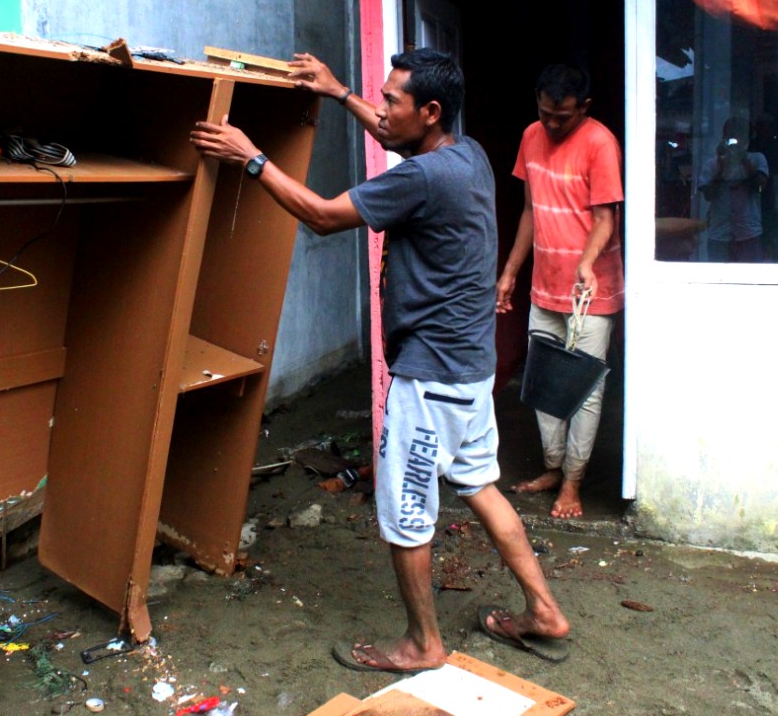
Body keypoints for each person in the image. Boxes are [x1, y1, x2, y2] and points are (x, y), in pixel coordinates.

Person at [191, 49, 569, 673]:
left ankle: (422, 644)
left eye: (393, 99)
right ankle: (544, 610)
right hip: (469, 370)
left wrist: (250, 157)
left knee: (407, 513)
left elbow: (320, 216)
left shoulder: (421, 178)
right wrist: (341, 93)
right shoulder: (464, 155)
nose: (384, 108)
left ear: (431, 110)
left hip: (430, 378)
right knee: (480, 484)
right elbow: (395, 137)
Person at [496, 64, 625, 520]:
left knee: (584, 389)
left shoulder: (600, 143)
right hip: (544, 286)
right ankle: (554, 468)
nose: (552, 124)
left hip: (591, 291)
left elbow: (606, 218)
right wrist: (510, 270)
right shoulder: (531, 136)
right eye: (545, 112)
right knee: (544, 385)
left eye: (563, 117)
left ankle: (572, 483)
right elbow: (530, 210)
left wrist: (586, 263)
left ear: (584, 108)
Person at [698, 115, 769, 263]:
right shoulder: (713, 164)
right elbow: (708, 195)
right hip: (720, 233)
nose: (734, 143)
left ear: (747, 139)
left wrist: (743, 160)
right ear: (724, 138)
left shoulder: (757, 159)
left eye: (739, 137)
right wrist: (723, 165)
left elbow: (761, 187)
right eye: (731, 138)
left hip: (748, 232)